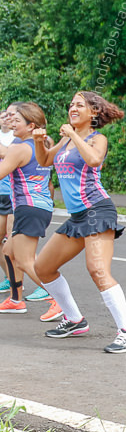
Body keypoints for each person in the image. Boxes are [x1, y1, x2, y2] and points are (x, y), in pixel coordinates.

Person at [33, 92, 126, 351]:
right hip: (78, 216)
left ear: (93, 113)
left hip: (98, 210)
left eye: (79, 105)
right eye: (71, 104)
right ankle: (74, 319)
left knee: (98, 270)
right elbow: (45, 160)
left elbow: (94, 160)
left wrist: (73, 135)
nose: (73, 107)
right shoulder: (66, 139)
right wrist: (38, 141)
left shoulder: (96, 138)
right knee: (43, 267)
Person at [0, 102, 59, 320]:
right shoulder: (41, 144)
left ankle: (59, 300)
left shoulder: (20, 148)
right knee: (8, 251)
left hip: (28, 207)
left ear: (31, 125)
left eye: (17, 121)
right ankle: (16, 300)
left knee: (25, 260)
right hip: (40, 206)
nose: (11, 123)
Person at [0, 107, 14, 297]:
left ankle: (46, 287)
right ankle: (10, 279)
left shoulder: (17, 138)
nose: (5, 118)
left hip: (14, 195)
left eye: (9, 115)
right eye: (2, 116)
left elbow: (9, 155)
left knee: (13, 243)